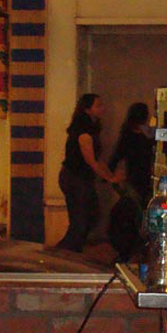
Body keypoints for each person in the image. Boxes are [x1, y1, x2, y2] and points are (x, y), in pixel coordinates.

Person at [56, 93, 121, 252]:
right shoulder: (83, 132)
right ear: (87, 109)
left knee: (87, 216)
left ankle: (68, 250)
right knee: (81, 219)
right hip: (75, 178)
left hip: (80, 178)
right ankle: (67, 251)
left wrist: (110, 175)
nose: (102, 109)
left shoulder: (90, 130)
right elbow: (91, 161)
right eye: (98, 105)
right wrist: (110, 178)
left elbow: (98, 160)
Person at [108, 102, 155, 260]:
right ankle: (139, 248)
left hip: (133, 179)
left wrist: (109, 175)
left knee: (133, 213)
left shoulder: (127, 134)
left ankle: (128, 249)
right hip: (147, 179)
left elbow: (117, 155)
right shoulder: (148, 134)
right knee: (141, 213)